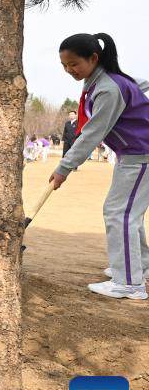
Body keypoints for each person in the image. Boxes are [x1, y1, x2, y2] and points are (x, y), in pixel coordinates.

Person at [51, 32, 149, 300]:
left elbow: (92, 133)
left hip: (141, 156)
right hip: (131, 156)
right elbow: (142, 84)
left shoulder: (107, 87)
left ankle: (129, 282)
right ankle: (139, 266)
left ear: (94, 58)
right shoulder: (101, 81)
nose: (69, 70)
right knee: (126, 212)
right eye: (64, 66)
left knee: (120, 214)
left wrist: (64, 168)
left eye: (74, 64)